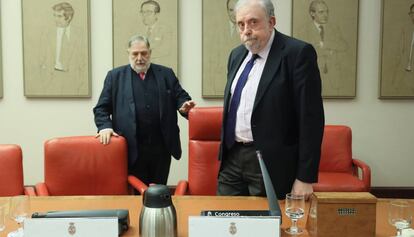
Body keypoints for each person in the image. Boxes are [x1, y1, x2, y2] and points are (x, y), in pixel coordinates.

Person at [217, 0, 325, 200]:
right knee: (226, 222)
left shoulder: (297, 54)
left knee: (266, 226)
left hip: (271, 161)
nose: (246, 30)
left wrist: (305, 177)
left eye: (253, 22)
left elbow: (311, 119)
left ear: (271, 22)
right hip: (232, 158)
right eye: (241, 24)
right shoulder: (236, 55)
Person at [93, 35, 195, 185]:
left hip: (161, 148)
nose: (139, 58)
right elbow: (101, 108)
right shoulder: (115, 77)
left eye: (144, 53)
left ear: (150, 53)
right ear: (128, 53)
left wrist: (185, 107)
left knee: (158, 192)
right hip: (130, 148)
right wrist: (105, 127)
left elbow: (181, 98)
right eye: (135, 54)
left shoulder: (166, 74)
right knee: (133, 193)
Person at [296, 0, 348, 96]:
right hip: (312, 77)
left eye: (327, 11)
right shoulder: (303, 30)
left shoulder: (334, 28)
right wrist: (330, 51)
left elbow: (344, 46)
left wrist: (324, 44)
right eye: (321, 12)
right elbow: (301, 54)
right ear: (312, 13)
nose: (325, 15)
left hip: (334, 76)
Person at [36, 2, 88, 95]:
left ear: (69, 17)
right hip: (51, 78)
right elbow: (40, 59)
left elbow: (83, 60)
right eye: (54, 15)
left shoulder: (80, 34)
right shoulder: (46, 33)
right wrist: (43, 79)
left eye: (59, 16)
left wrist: (80, 81)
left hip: (73, 80)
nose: (55, 19)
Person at [390, 3, 414, 94]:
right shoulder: (406, 30)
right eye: (411, 13)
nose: (413, 16)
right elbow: (400, 51)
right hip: (405, 70)